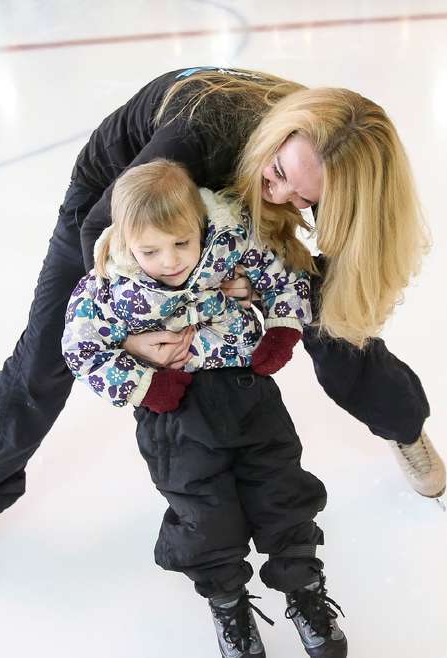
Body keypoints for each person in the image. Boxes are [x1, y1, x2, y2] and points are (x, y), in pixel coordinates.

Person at [0, 66, 444, 579]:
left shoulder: (323, 157)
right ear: (281, 134)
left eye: (304, 200)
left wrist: (257, 278)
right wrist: (134, 331)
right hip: (124, 204)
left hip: (224, 204)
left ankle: (403, 424)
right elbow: (105, 238)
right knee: (47, 352)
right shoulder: (200, 130)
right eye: (280, 175)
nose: (283, 198)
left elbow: (310, 259)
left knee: (325, 316)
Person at [62, 159, 345, 657]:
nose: (170, 260)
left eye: (181, 243)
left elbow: (285, 277)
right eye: (150, 249)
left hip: (246, 394)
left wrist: (281, 329)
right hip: (175, 417)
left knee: (281, 490)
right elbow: (81, 349)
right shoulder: (107, 286)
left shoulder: (230, 245)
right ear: (127, 240)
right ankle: (228, 603)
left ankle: (303, 590)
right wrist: (146, 387)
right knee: (203, 513)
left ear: (200, 224)